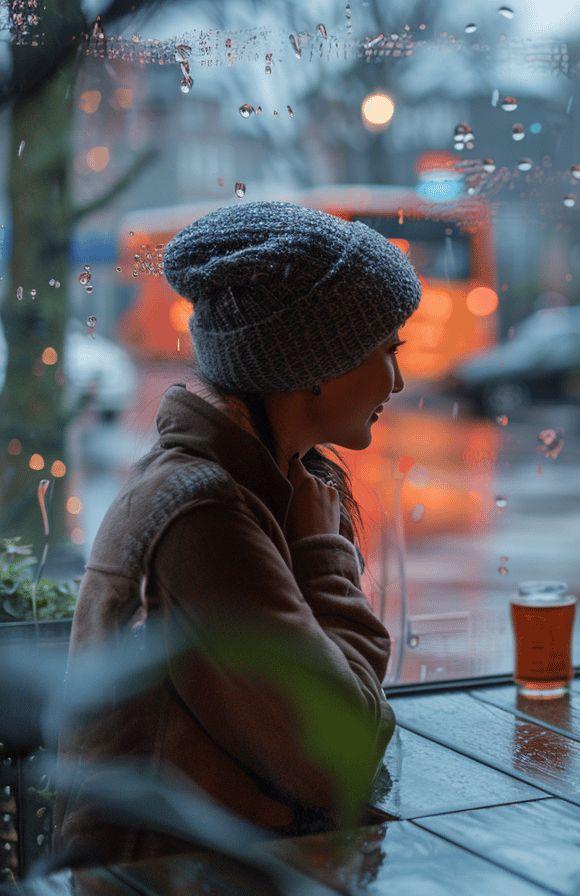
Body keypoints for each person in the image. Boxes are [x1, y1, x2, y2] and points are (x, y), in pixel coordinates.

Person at [56, 201, 419, 867]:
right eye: (387, 349)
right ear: (315, 362)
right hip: (166, 878)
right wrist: (322, 556)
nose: (398, 379)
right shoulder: (207, 517)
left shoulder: (270, 486)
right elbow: (341, 755)